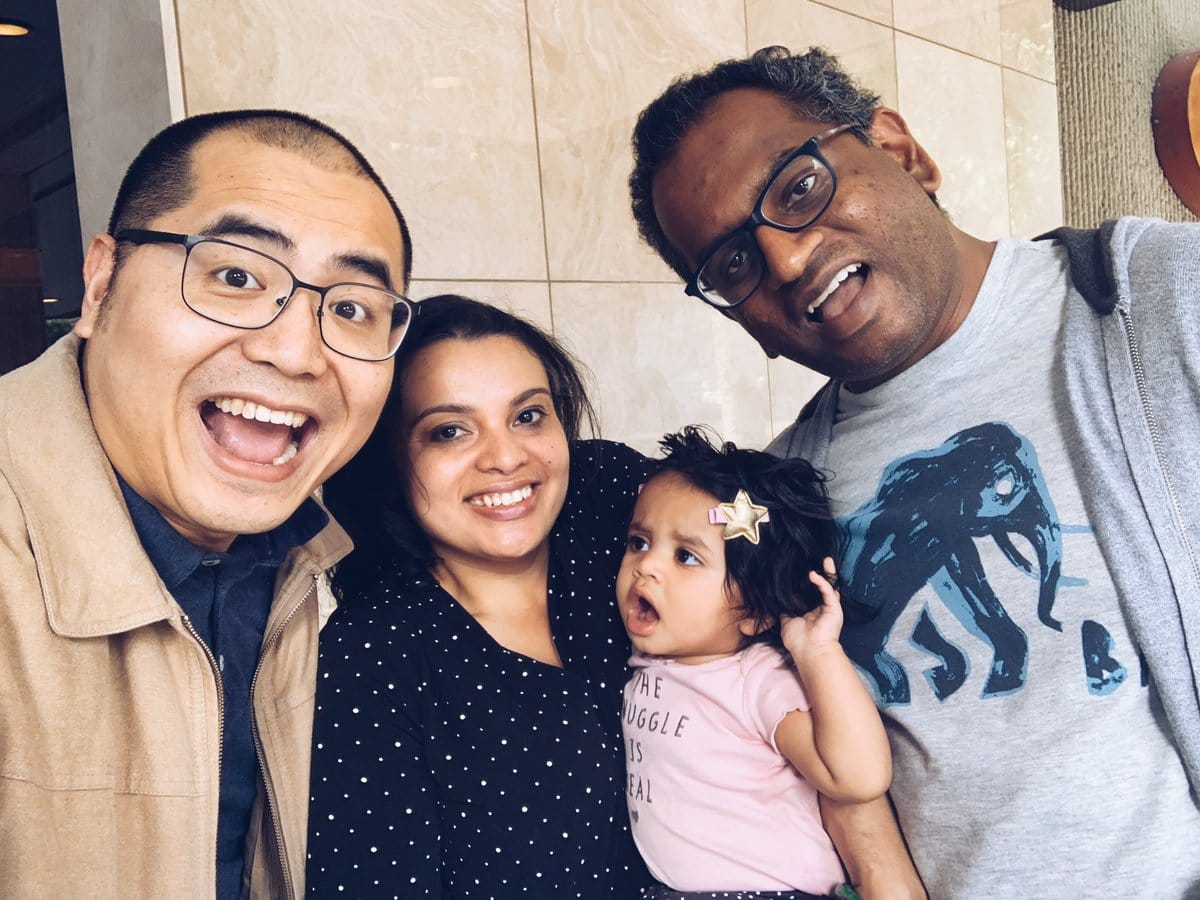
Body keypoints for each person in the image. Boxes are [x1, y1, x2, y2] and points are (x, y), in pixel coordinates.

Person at [629, 45, 1200, 897]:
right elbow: (840, 785)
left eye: (798, 188)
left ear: (901, 152)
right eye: (733, 264)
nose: (785, 260)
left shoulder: (1161, 298)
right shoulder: (780, 497)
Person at [0, 109, 414, 898]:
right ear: (101, 285)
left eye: (351, 308)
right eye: (236, 277)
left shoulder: (311, 560)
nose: (295, 352)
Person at [306, 294, 653, 897]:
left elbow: (766, 541)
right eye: (449, 432)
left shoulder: (616, 506)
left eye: (528, 416)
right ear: (387, 460)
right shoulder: (372, 654)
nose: (506, 457)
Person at [618, 427, 895, 898]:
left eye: (685, 556)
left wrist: (819, 653)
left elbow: (858, 777)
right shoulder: (645, 666)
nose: (646, 566)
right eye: (639, 542)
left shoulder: (756, 679)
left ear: (755, 613)